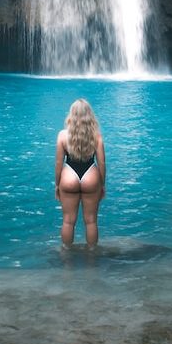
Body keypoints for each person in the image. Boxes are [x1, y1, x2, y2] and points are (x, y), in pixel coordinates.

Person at [54, 98, 107, 248]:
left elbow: (58, 164)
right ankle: (92, 256)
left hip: (69, 175)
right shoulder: (97, 136)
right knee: (91, 221)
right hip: (91, 175)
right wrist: (102, 185)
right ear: (89, 116)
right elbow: (102, 164)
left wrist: (57, 185)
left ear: (71, 115)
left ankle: (66, 256)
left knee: (68, 221)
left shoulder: (62, 136)